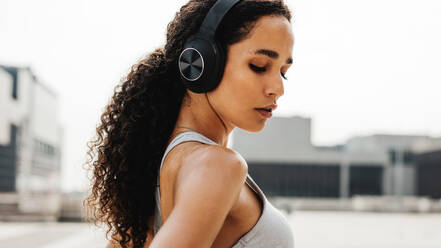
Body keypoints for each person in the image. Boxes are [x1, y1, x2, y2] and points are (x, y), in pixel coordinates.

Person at [84, 0, 294, 247]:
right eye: (259, 66)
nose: (278, 89)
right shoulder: (218, 166)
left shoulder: (161, 167)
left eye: (283, 71)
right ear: (202, 64)